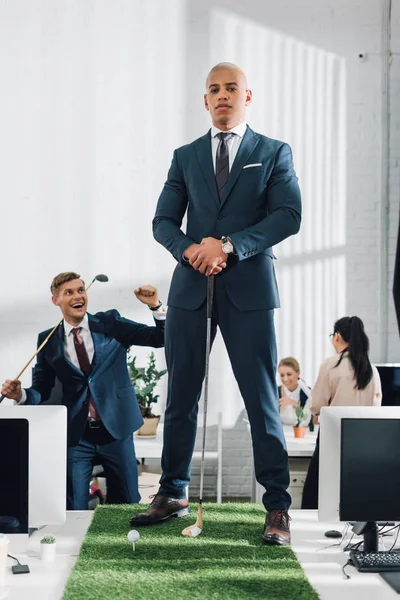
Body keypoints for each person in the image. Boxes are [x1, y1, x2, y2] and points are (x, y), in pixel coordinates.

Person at [130, 62, 302, 546]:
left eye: (232, 88)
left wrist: (225, 245)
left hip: (249, 291)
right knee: (180, 396)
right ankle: (172, 492)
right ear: (204, 100)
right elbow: (162, 222)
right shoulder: (184, 156)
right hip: (190, 289)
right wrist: (192, 250)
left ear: (249, 97)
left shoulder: (273, 152)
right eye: (214, 89)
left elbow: (288, 216)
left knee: (262, 400)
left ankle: (276, 508)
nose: (222, 95)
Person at [1, 272, 165, 510]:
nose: (78, 296)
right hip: (77, 435)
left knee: (127, 504)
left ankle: (122, 546)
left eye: (81, 290)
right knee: (72, 507)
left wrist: (155, 306)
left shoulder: (110, 323)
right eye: (69, 292)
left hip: (116, 431)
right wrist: (21, 395)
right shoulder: (47, 340)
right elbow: (42, 390)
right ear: (56, 300)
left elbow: (159, 338)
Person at [301, 316, 382, 509]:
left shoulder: (331, 365)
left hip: (332, 434)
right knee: (354, 488)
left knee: (318, 488)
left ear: (337, 336)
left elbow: (316, 404)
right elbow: (376, 407)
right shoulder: (371, 369)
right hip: (363, 438)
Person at [278, 357, 311, 427]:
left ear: (298, 373)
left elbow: (307, 420)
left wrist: (294, 404)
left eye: (289, 374)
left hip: (302, 434)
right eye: (282, 375)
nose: (285, 379)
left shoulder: (307, 393)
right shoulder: (276, 392)